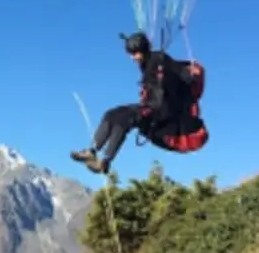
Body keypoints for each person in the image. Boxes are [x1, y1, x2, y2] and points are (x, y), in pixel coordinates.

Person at [70, 30, 208, 174]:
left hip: (160, 110)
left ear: (143, 50)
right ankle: (92, 151)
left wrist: (189, 75)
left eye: (135, 53)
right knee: (111, 114)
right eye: (131, 54)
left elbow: (178, 70)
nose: (132, 58)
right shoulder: (145, 64)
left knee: (124, 119)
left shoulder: (160, 58)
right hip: (149, 106)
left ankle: (105, 162)